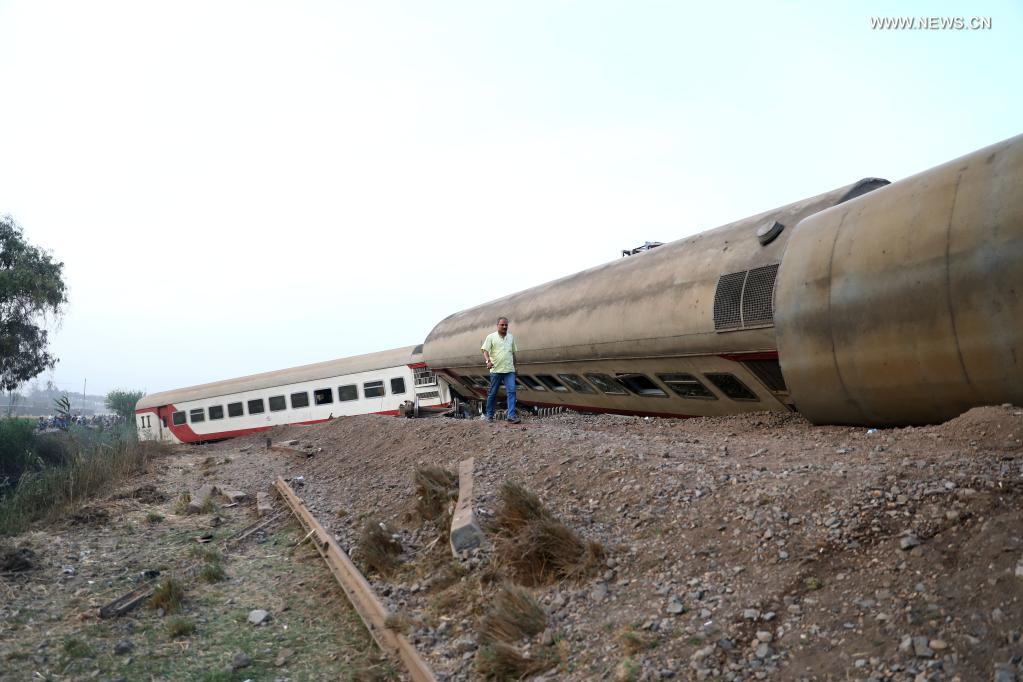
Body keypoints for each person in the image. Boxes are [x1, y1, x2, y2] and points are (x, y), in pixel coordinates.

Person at [481, 316, 520, 423]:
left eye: (506, 325)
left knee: (512, 391)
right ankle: (489, 415)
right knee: (493, 393)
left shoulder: (511, 337)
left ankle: (511, 416)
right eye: (502, 325)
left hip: (509, 370)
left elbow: (513, 353)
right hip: (496, 370)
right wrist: (488, 361)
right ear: (497, 325)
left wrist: (515, 366)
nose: (504, 326)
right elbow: (485, 350)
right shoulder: (491, 337)